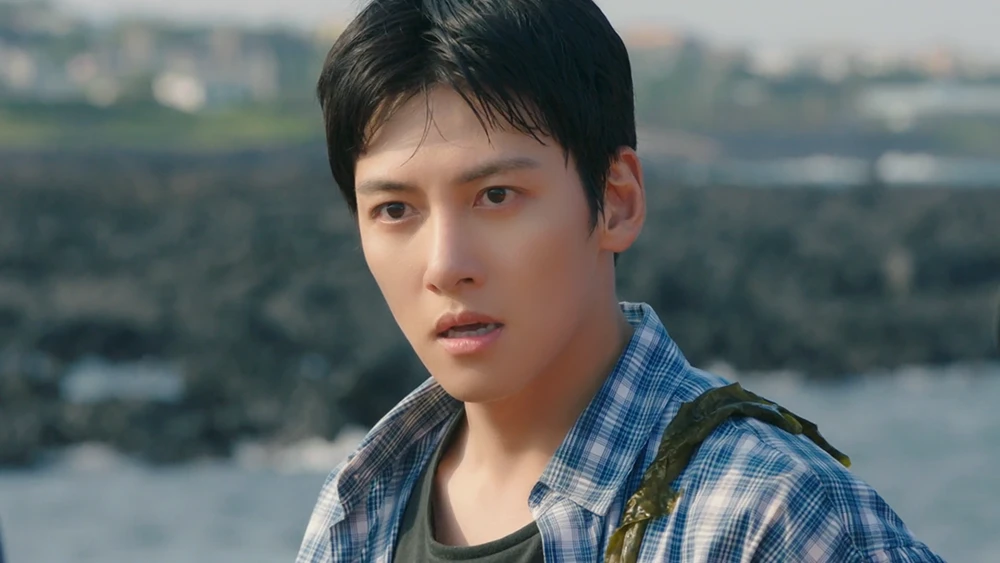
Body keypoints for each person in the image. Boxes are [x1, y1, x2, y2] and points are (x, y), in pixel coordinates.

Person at [297, 0, 946, 561]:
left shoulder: (766, 518)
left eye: (496, 196)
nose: (444, 265)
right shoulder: (358, 508)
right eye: (395, 210)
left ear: (616, 201)